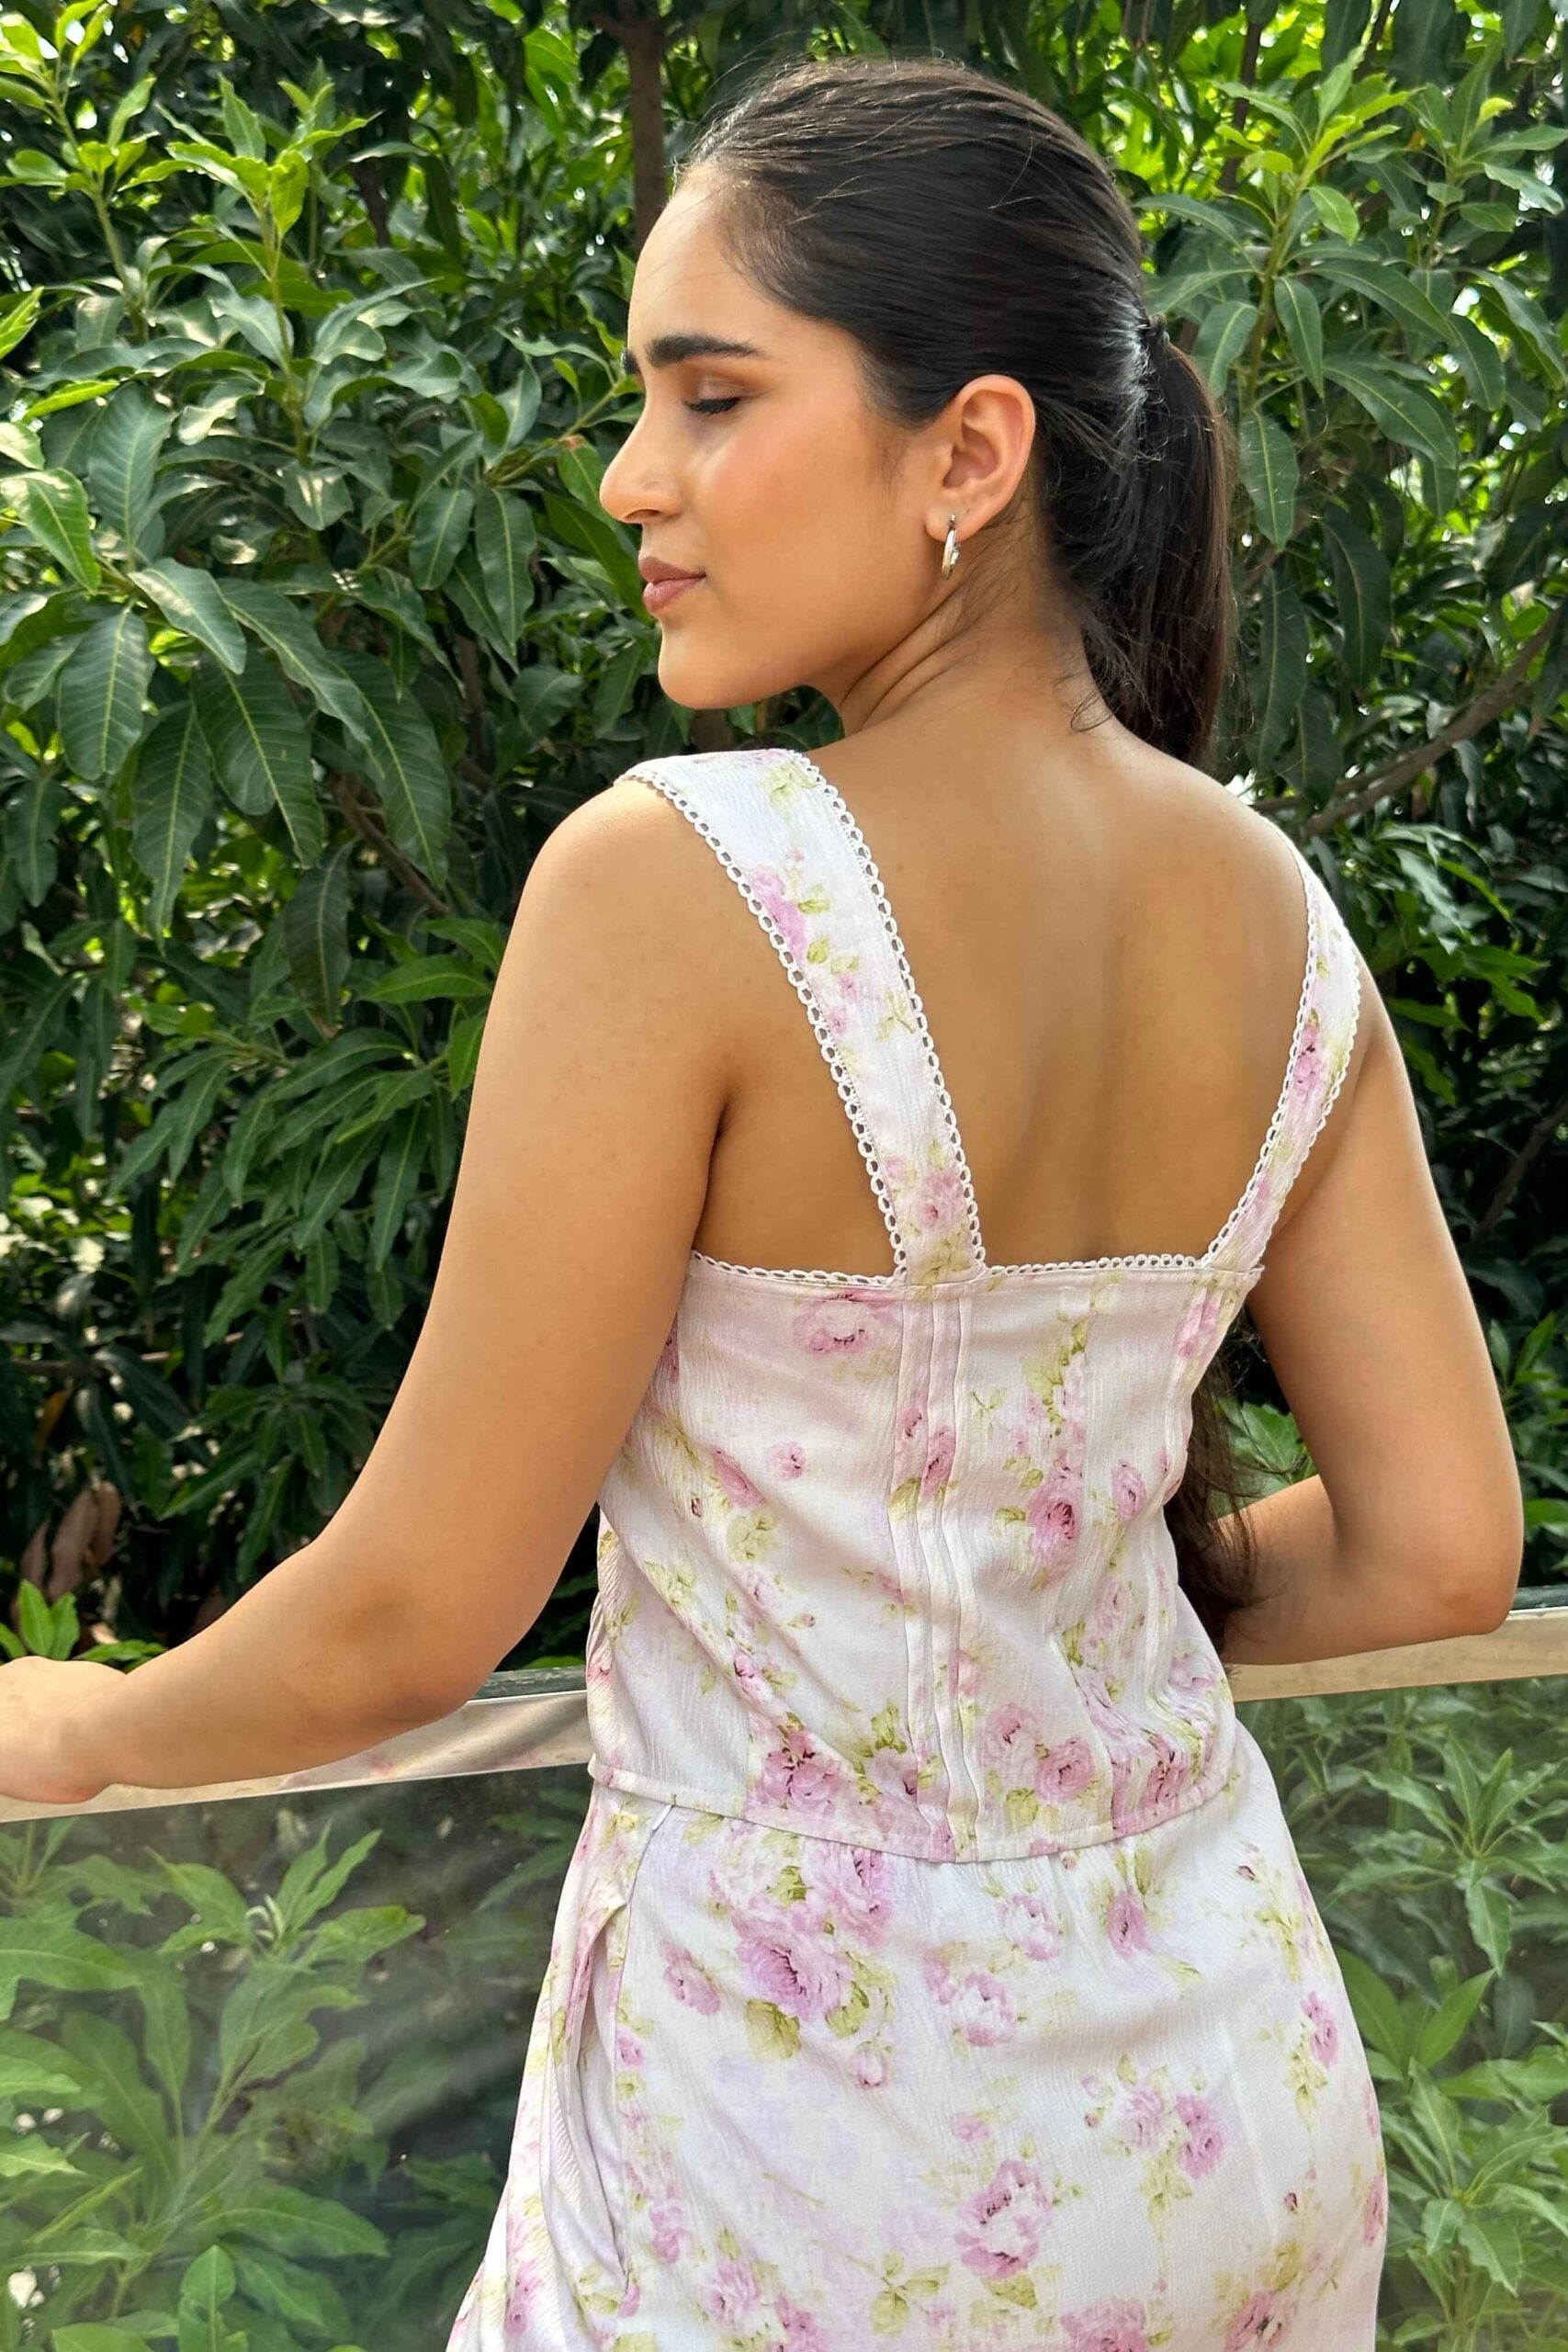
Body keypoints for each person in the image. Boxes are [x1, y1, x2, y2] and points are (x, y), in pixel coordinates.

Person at [436, 50, 1526, 2349]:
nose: (632, 474)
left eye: (711, 396)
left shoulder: (680, 883)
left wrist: (81, 1734)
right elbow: (1439, 1543)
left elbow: (424, 1598)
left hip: (808, 2161)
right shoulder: (1275, 918)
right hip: (1220, 2102)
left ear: (969, 451)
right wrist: (1057, 1646)